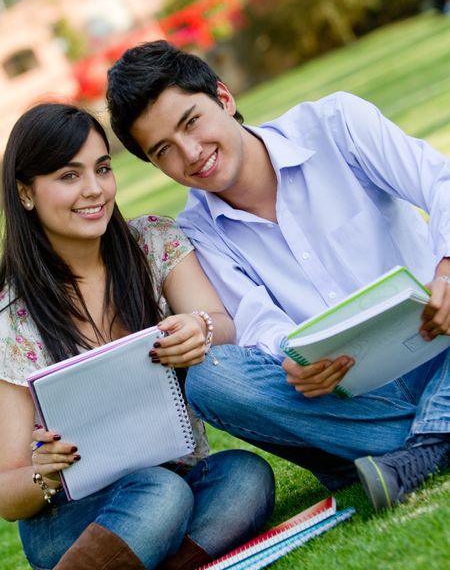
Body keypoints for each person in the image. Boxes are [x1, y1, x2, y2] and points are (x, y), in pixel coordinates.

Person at [106, 40, 450, 513]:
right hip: (347, 393)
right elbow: (256, 323)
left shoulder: (337, 125)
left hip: (438, 343)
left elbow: (439, 181)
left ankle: (422, 447)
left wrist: (447, 267)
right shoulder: (196, 233)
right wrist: (296, 359)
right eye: (164, 149)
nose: (191, 153)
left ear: (224, 99)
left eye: (192, 122)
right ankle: (425, 431)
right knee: (209, 378)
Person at [0, 103, 275, 570]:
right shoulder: (11, 316)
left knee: (247, 477)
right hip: (73, 522)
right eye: (68, 175)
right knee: (159, 493)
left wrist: (195, 330)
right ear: (26, 193)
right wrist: (41, 469)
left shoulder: (152, 242)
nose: (94, 189)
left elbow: (220, 324)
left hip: (180, 476)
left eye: (102, 168)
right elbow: (10, 495)